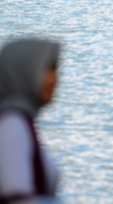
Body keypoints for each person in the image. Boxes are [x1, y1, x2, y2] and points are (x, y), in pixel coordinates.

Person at [0, 39, 61, 203]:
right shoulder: (12, 124)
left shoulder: (19, 121)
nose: (56, 79)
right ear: (23, 72)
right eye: (49, 69)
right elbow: (17, 196)